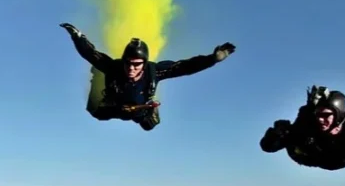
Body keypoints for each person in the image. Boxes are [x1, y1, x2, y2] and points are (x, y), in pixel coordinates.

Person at [59, 23, 236, 130]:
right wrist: (78, 37)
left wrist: (212, 59)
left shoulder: (154, 72)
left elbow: (185, 67)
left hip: (140, 110)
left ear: (144, 63)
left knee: (149, 126)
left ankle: (150, 110)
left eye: (137, 64)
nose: (131, 68)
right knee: (97, 114)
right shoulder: (114, 67)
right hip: (116, 106)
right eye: (128, 62)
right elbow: (91, 54)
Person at [260, 86, 345, 170]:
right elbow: (267, 146)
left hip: (335, 156)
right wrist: (276, 134)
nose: (320, 119)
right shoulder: (307, 122)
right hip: (309, 153)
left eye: (325, 115)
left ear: (339, 116)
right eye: (318, 114)